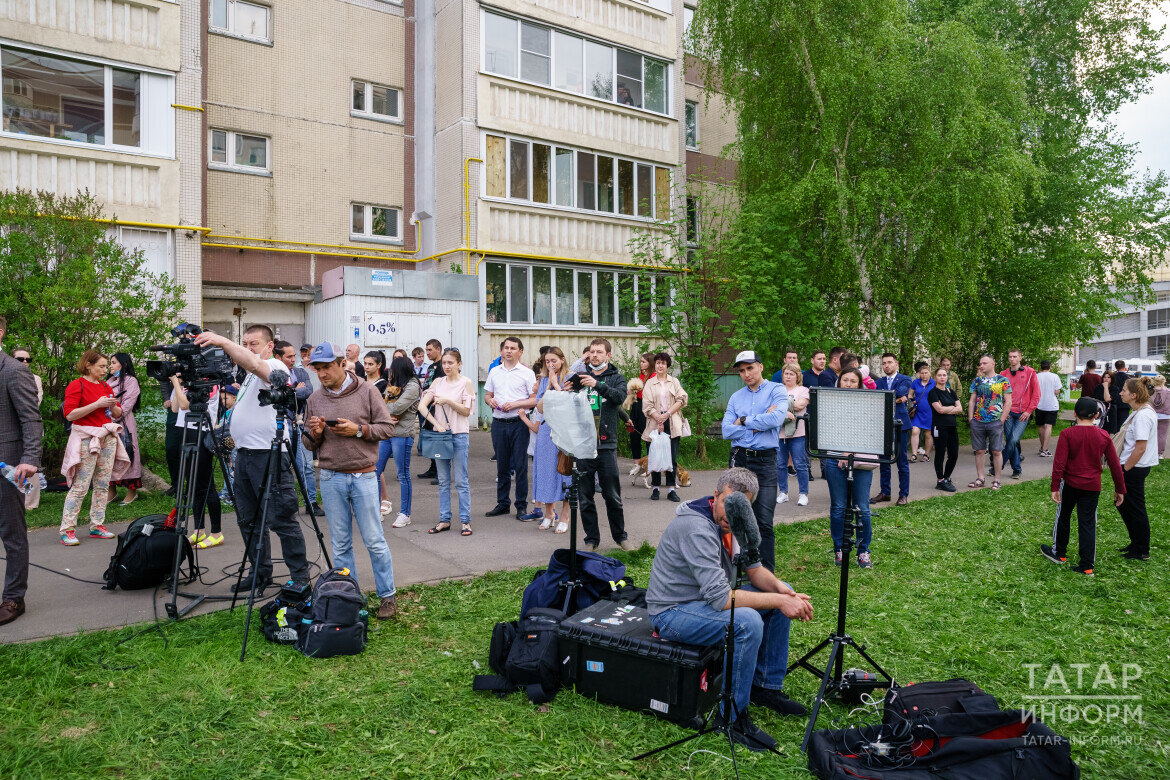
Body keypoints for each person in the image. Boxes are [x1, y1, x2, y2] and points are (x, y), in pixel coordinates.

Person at [646, 467, 814, 751]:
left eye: (741, 505)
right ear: (716, 495)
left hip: (704, 602)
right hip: (672, 612)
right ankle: (732, 718)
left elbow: (755, 570)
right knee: (747, 622)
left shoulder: (737, 521)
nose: (729, 512)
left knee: (777, 590)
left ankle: (764, 688)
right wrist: (779, 600)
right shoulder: (695, 527)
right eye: (727, 500)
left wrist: (783, 591)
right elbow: (721, 599)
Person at [194, 326, 311, 594]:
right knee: (248, 520)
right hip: (245, 455)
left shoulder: (272, 365)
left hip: (268, 455)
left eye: (254, 343)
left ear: (270, 346)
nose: (248, 347)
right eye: (244, 343)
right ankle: (260, 573)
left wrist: (222, 341)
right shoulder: (248, 375)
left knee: (281, 518)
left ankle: (300, 578)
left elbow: (256, 364)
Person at [303, 342, 398, 619]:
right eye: (317, 369)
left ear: (342, 363)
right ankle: (351, 597)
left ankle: (387, 596)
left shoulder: (367, 391)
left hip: (364, 475)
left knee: (374, 540)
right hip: (331, 477)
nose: (321, 374)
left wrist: (359, 430)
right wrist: (316, 433)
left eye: (326, 367)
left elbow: (387, 428)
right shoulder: (314, 400)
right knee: (341, 544)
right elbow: (308, 446)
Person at [1040, 397, 1125, 576]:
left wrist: (1055, 486)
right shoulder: (1103, 435)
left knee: (1063, 516)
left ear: (1075, 414)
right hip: (1092, 487)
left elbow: (1059, 463)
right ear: (1096, 415)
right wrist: (1120, 489)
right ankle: (1087, 565)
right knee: (1087, 523)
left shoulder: (1067, 434)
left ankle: (1059, 553)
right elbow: (1115, 464)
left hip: (1070, 484)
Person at [722, 350, 787, 571]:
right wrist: (759, 425)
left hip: (765, 461)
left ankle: (765, 572)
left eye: (750, 368)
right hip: (740, 459)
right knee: (735, 515)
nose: (746, 374)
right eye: (741, 370)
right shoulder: (735, 397)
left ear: (760, 366)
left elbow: (777, 418)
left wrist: (744, 421)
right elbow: (726, 431)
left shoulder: (777, 390)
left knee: (763, 521)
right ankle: (739, 567)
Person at [60, 350, 128, 546]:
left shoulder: (105, 385)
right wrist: (97, 404)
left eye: (106, 366)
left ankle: (97, 525)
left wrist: (114, 406)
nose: (105, 370)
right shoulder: (77, 385)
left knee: (102, 484)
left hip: (107, 436)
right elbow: (70, 414)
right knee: (80, 486)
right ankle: (67, 529)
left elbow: (115, 413)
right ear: (88, 365)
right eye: (101, 366)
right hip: (86, 438)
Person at [0, 316, 43, 626]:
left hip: (8, 463)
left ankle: (14, 598)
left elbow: (31, 419)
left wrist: (29, 458)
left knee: (12, 532)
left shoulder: (14, 371)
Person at [573, 338, 630, 550]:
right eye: (592, 352)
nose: (595, 355)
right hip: (583, 445)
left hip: (606, 445)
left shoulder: (616, 378)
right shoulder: (578, 377)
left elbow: (619, 398)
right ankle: (591, 540)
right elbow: (568, 404)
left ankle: (621, 537)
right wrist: (568, 389)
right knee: (585, 497)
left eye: (599, 352)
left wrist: (597, 384)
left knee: (612, 496)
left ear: (608, 355)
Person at [823, 369, 877, 568]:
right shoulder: (830, 403)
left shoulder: (867, 404)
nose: (848, 383)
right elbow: (826, 429)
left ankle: (864, 552)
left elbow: (871, 431)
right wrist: (841, 452)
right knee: (838, 507)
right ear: (839, 381)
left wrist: (850, 452)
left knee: (862, 508)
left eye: (853, 381)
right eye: (844, 379)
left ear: (859, 383)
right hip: (834, 460)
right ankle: (839, 549)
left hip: (860, 460)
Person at [419, 348, 477, 535]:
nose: (446, 366)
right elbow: (422, 406)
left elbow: (466, 411)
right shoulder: (437, 382)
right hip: (440, 436)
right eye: (444, 363)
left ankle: (465, 521)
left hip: (459, 434)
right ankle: (444, 519)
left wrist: (448, 401)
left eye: (450, 363)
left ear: (459, 364)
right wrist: (436, 423)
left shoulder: (466, 383)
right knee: (443, 480)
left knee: (461, 480)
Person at [484, 337, 538, 520]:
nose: (508, 351)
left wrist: (515, 404)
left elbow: (534, 399)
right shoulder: (494, 372)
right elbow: (487, 395)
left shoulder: (527, 373)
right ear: (501, 351)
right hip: (499, 423)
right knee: (502, 466)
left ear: (520, 352)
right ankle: (502, 503)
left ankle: (521, 505)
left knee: (521, 466)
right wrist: (490, 400)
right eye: (506, 348)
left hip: (519, 423)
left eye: (513, 348)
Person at [169, 374, 224, 549]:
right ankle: (198, 530)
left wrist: (175, 381)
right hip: (183, 430)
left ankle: (216, 532)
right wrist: (179, 384)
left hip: (200, 432)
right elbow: (176, 408)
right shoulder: (187, 382)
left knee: (206, 485)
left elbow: (186, 405)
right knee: (192, 484)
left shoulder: (209, 382)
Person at [528, 347, 572, 532]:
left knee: (565, 471)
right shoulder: (544, 380)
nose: (550, 364)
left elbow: (569, 405)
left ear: (562, 360)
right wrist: (548, 386)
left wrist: (557, 385)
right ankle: (549, 513)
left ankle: (565, 515)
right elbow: (540, 408)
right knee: (546, 471)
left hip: (565, 430)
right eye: (547, 361)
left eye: (554, 360)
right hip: (547, 430)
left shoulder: (572, 378)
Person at [1115, 378, 1157, 561]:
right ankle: (1136, 543)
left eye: (1124, 390)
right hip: (1131, 468)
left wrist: (1125, 469)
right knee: (1124, 505)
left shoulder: (1143, 416)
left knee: (1135, 508)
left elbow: (1140, 448)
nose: (1121, 392)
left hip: (1134, 468)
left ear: (1133, 395)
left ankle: (1141, 549)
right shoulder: (1138, 412)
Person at [276, 340, 318, 514]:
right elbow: (280, 396)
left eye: (294, 356)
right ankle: (285, 503)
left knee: (306, 465)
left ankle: (311, 502)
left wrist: (290, 391)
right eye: (289, 356)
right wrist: (295, 390)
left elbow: (308, 391)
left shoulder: (300, 372)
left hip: (299, 423)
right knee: (282, 466)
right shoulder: (273, 374)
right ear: (278, 357)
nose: (294, 359)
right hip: (280, 424)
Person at [642, 352, 689, 503]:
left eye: (663, 363)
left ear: (668, 366)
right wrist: (658, 417)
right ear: (654, 365)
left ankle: (671, 489)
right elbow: (647, 404)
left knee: (672, 457)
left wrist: (667, 414)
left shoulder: (674, 381)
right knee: (654, 456)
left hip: (671, 421)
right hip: (654, 421)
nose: (660, 365)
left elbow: (681, 399)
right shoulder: (649, 383)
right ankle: (655, 488)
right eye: (658, 363)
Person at [380, 356, 421, 527]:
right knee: (374, 471)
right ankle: (377, 509)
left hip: (402, 435)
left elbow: (397, 407)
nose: (390, 373)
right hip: (387, 433)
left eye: (393, 369)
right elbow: (383, 402)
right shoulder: (394, 386)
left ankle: (405, 514)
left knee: (403, 475)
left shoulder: (412, 386)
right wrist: (384, 413)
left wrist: (380, 411)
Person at [967, 355, 1012, 491]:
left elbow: (1008, 401)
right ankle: (980, 478)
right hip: (978, 421)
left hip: (995, 421)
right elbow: (972, 400)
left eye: (984, 363)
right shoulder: (977, 381)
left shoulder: (1003, 380)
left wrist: (1001, 419)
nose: (981, 365)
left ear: (993, 364)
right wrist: (971, 419)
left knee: (997, 451)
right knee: (979, 451)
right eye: (980, 363)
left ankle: (997, 480)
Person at [873, 353, 911, 505]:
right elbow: (876, 397)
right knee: (884, 460)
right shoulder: (879, 381)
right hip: (883, 425)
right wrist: (896, 399)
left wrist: (890, 397)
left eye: (889, 362)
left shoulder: (905, 379)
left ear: (896, 364)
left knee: (902, 461)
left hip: (900, 424)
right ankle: (885, 492)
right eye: (884, 363)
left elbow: (901, 391)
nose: (886, 365)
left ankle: (903, 494)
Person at [106, 353, 142, 505]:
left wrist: (112, 418)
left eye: (114, 363)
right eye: (110, 363)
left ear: (124, 364)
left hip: (123, 424)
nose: (110, 366)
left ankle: (132, 492)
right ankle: (111, 492)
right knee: (109, 457)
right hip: (107, 426)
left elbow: (127, 405)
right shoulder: (108, 381)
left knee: (128, 454)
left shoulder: (130, 381)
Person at [1000, 349, 1039, 479]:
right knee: (1012, 442)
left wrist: (1029, 411)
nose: (1012, 359)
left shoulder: (1030, 372)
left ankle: (998, 466)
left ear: (1020, 358)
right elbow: (999, 394)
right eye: (1010, 356)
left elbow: (1036, 394)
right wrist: (1004, 410)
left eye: (1015, 356)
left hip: (1023, 413)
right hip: (1009, 413)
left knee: (1014, 439)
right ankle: (1016, 469)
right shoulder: (1003, 374)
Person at [775, 363, 810, 506]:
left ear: (797, 376)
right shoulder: (777, 389)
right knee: (780, 464)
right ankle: (783, 492)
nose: (788, 376)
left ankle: (803, 494)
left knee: (800, 464)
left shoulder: (803, 390)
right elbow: (770, 407)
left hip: (798, 434)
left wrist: (781, 406)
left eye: (791, 374)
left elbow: (800, 405)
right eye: (786, 373)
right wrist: (786, 411)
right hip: (779, 434)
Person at [927, 367, 962, 492]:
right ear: (935, 377)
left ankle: (947, 477)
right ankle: (940, 480)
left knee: (954, 454)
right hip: (939, 427)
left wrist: (947, 408)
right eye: (939, 375)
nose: (942, 377)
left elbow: (960, 408)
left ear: (947, 377)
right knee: (940, 453)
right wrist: (953, 407)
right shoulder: (933, 393)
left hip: (952, 427)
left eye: (944, 375)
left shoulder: (951, 391)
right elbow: (939, 410)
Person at [416, 339, 445, 480]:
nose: (427, 353)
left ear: (438, 349)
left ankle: (441, 472)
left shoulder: (443, 365)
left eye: (429, 350)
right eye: (426, 350)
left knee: (438, 439)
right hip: (427, 405)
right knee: (431, 438)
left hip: (437, 407)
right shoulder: (431, 366)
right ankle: (433, 468)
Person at [1035, 360, 1063, 457]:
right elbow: (1057, 391)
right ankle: (1045, 449)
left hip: (1039, 404)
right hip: (1051, 404)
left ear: (1041, 366)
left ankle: (1042, 447)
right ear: (1050, 367)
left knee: (1041, 426)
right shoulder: (1055, 376)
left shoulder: (1036, 376)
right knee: (1048, 426)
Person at [628, 352, 653, 460]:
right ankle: (637, 463)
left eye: (643, 362)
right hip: (636, 405)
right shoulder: (642, 374)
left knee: (647, 435)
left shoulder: (653, 376)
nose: (641, 363)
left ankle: (650, 464)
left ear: (650, 363)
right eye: (641, 361)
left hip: (646, 406)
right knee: (633, 433)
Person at [908, 361, 934, 463]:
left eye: (926, 373)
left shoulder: (934, 383)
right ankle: (914, 455)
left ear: (930, 373)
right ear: (919, 373)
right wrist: (912, 400)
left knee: (928, 434)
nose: (924, 375)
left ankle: (926, 455)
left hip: (930, 412)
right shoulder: (915, 382)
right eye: (922, 373)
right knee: (915, 431)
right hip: (918, 411)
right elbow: (910, 395)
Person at [1109, 360, 1133, 432]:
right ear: (1124, 367)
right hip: (1125, 404)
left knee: (1114, 425)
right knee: (1123, 425)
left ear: (1116, 367)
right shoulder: (1129, 378)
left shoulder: (1112, 378)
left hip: (1114, 402)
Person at [1150, 375, 1169, 458]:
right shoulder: (1168, 391)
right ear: (1164, 381)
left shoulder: (1151, 391)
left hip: (1153, 414)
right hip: (1165, 416)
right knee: (1162, 435)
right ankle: (1159, 454)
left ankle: (1150, 451)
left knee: (1151, 434)